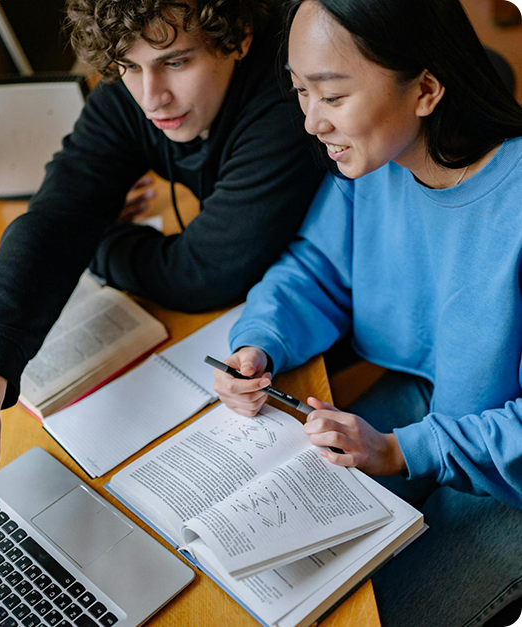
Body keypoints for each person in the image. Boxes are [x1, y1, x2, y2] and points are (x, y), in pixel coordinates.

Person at [213, 0, 522, 625]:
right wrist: (261, 342)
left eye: (330, 95)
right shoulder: (371, 166)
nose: (310, 123)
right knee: (265, 571)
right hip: (422, 408)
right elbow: (315, 270)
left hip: (506, 474)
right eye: (301, 93)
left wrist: (404, 452)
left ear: (427, 89)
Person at [0, 0, 323, 493]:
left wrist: (97, 233)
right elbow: (57, 216)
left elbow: (200, 274)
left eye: (176, 62)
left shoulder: (287, 95)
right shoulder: (136, 93)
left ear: (240, 37)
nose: (151, 97)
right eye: (128, 67)